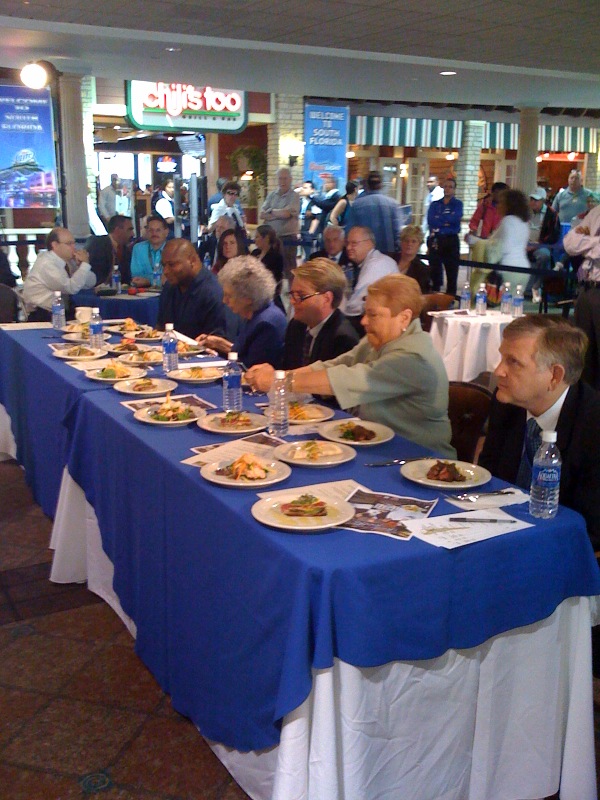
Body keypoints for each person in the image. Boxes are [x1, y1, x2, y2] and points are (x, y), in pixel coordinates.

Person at [247, 274, 454, 455]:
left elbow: (347, 380)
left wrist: (278, 381)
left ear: (404, 317)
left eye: (373, 315)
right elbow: (335, 365)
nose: (363, 321)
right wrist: (280, 376)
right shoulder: (383, 339)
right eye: (365, 312)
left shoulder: (413, 358)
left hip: (420, 460)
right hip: (382, 450)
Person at [479, 315, 600, 550]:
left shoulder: (593, 426)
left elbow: (591, 529)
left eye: (513, 362)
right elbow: (489, 479)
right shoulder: (506, 404)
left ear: (555, 376)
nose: (498, 371)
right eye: (502, 358)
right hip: (501, 536)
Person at [196, 256, 287, 369]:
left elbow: (249, 370)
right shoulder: (257, 313)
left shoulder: (266, 324)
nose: (224, 301)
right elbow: (245, 353)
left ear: (248, 297)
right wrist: (218, 343)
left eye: (229, 296)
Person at [282, 258, 360, 370]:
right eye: (292, 294)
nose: (292, 301)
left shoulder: (343, 339)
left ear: (326, 299)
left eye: (301, 296)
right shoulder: (296, 326)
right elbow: (287, 370)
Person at [22, 227, 95, 321]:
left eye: (74, 243)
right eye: (69, 244)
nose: (74, 247)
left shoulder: (67, 262)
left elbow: (91, 282)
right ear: (55, 245)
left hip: (61, 312)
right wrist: (85, 265)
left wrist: (81, 266)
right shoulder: (47, 264)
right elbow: (70, 288)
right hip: (43, 314)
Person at [563, 202, 600, 389]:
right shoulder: (596, 212)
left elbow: (580, 244)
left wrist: (586, 242)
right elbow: (569, 243)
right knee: (583, 357)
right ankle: (587, 409)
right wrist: (596, 242)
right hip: (586, 290)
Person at [157, 238, 226, 339]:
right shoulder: (169, 287)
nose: (166, 271)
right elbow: (160, 329)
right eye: (164, 265)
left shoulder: (214, 292)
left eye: (172, 265)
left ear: (192, 261)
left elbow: (219, 342)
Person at [344, 226, 398, 331]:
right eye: (347, 243)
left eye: (354, 243)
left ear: (369, 243)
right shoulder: (371, 262)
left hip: (385, 326)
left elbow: (354, 306)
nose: (348, 247)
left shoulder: (376, 264)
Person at [260, 167, 300, 279]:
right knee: (272, 268)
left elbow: (287, 214)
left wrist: (272, 211)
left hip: (288, 238)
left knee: (289, 269)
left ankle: (292, 292)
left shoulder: (295, 196)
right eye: (280, 179)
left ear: (291, 179)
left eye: (285, 179)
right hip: (273, 239)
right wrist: (279, 213)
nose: (282, 181)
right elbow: (262, 214)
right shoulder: (271, 195)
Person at [484, 189, 530, 284]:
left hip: (507, 268)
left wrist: (476, 242)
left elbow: (503, 247)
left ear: (509, 205)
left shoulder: (507, 221)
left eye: (501, 202)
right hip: (524, 267)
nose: (498, 205)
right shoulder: (524, 222)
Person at [427, 177, 463, 296]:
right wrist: (446, 221)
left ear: (454, 189)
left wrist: (440, 219)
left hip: (451, 240)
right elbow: (431, 221)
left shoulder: (458, 204)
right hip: (436, 239)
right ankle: (435, 298)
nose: (447, 189)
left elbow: (455, 218)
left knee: (452, 272)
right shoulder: (435, 204)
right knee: (435, 271)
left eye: (450, 187)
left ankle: (450, 299)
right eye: (445, 186)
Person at [525, 186, 561, 301]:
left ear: (543, 201)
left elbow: (553, 236)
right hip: (524, 244)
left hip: (541, 245)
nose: (533, 202)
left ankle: (536, 286)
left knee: (544, 255)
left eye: (536, 200)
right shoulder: (525, 212)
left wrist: (536, 245)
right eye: (531, 199)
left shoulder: (552, 214)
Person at [352, 170, 401, 255]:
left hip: (364, 254)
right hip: (389, 254)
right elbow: (398, 233)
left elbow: (351, 231)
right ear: (381, 185)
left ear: (366, 184)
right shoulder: (393, 204)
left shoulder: (357, 204)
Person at [85, 214, 134, 285]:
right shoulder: (97, 243)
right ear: (117, 230)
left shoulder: (126, 251)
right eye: (130, 229)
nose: (133, 234)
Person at [466, 181, 507, 262]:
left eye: (502, 193)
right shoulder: (484, 206)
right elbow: (474, 221)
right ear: (493, 193)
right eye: (497, 192)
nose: (500, 196)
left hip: (498, 244)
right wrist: (474, 230)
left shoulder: (507, 209)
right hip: (483, 241)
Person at [129, 215, 169, 288]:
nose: (154, 234)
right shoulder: (138, 248)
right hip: (143, 292)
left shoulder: (173, 249)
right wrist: (159, 279)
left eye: (158, 230)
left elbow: (171, 278)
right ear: (147, 231)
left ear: (166, 232)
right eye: (151, 230)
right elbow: (136, 276)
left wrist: (148, 281)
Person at [396, 225, 431, 294]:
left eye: (413, 241)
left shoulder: (423, 269)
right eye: (406, 240)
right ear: (401, 242)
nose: (409, 244)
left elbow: (422, 294)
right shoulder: (390, 259)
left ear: (419, 244)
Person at [422, 175, 444, 240]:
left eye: (431, 182)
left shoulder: (440, 194)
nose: (428, 184)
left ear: (437, 183)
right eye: (427, 182)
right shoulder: (429, 195)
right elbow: (427, 214)